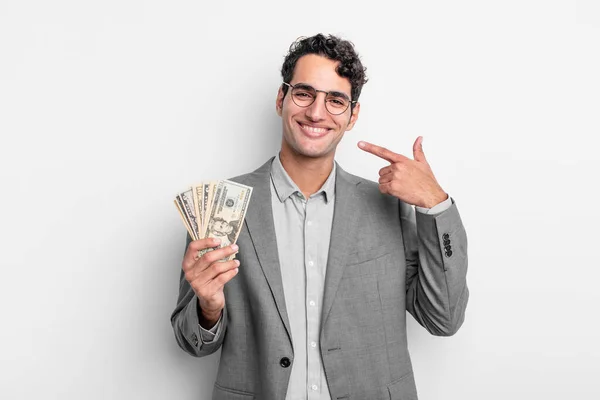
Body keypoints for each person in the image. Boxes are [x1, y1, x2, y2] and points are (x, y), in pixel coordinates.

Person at [171, 33, 469, 400]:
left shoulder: (391, 206)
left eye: (336, 100)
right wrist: (208, 308)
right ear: (281, 99)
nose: (316, 112)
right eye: (304, 93)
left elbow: (444, 319)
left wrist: (434, 203)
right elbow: (192, 342)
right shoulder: (221, 205)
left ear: (353, 114)